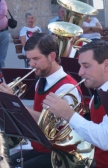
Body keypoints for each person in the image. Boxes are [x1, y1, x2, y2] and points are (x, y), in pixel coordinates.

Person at [42, 40, 108, 168]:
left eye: (86, 66)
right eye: (80, 66)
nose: (80, 72)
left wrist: (67, 113)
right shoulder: (99, 92)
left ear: (105, 65)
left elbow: (105, 140)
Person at [0, 33, 81, 168]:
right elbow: (36, 114)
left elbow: (51, 125)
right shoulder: (42, 81)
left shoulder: (67, 87)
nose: (31, 64)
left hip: (60, 154)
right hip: (40, 148)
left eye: (36, 59)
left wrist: (16, 103)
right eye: (29, 59)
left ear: (52, 56)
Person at [0, 0, 9, 69]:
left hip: (3, 32)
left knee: (2, 57)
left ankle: (1, 75)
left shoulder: (1, 1)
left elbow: (3, 12)